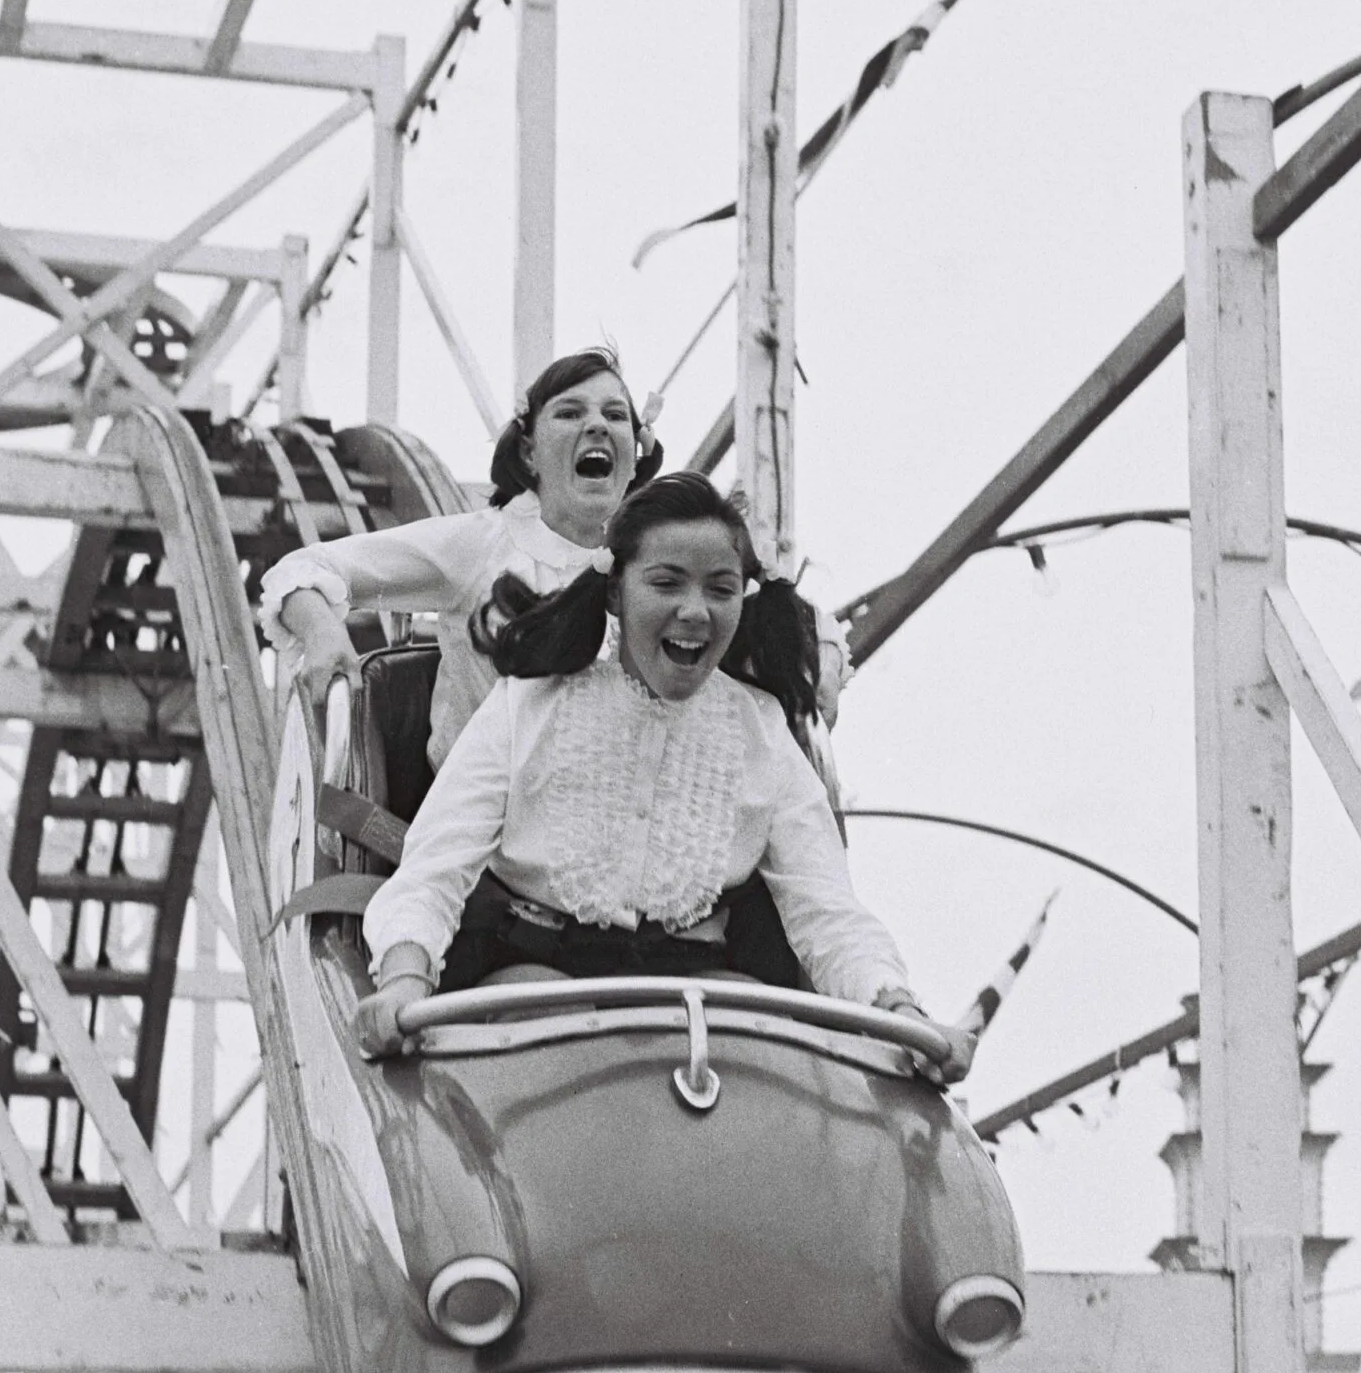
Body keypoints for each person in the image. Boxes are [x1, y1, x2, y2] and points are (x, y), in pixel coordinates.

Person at [354, 473, 962, 1067]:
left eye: (719, 590)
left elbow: (825, 910)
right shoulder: (528, 705)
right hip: (538, 977)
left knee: (755, 1073)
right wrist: (405, 980)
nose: (694, 612)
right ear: (617, 592)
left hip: (699, 991)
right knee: (540, 1044)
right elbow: (434, 871)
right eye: (667, 584)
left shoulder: (761, 729)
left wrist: (898, 1008)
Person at [259, 347, 659, 770]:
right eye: (570, 413)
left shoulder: (654, 559)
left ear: (634, 456)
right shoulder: (483, 544)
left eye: (615, 415)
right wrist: (322, 632)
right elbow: (301, 571)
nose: (597, 424)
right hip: (481, 817)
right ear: (529, 453)